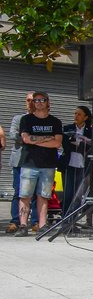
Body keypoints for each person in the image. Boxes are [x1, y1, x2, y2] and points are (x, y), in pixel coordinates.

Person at [15, 91, 64, 235]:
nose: (39, 102)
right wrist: (46, 138)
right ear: (33, 103)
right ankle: (23, 225)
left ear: (48, 102)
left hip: (48, 164)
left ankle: (42, 225)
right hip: (29, 163)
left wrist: (36, 140)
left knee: (44, 195)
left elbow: (57, 143)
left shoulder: (55, 121)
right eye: (36, 100)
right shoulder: (26, 120)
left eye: (42, 100)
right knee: (25, 195)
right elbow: (26, 139)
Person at [60, 105, 93, 215]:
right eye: (75, 114)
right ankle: (65, 218)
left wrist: (79, 143)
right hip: (69, 164)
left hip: (82, 166)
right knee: (68, 192)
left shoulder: (90, 130)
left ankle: (73, 218)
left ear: (85, 117)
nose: (76, 116)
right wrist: (81, 144)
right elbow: (66, 144)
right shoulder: (68, 128)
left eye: (79, 114)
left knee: (78, 194)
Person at [7, 93, 34, 233]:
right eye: (28, 100)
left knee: (35, 193)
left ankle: (35, 222)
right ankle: (15, 221)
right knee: (18, 191)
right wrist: (30, 139)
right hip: (19, 160)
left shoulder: (39, 120)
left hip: (34, 160)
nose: (30, 103)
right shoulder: (18, 118)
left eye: (33, 100)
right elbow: (12, 134)